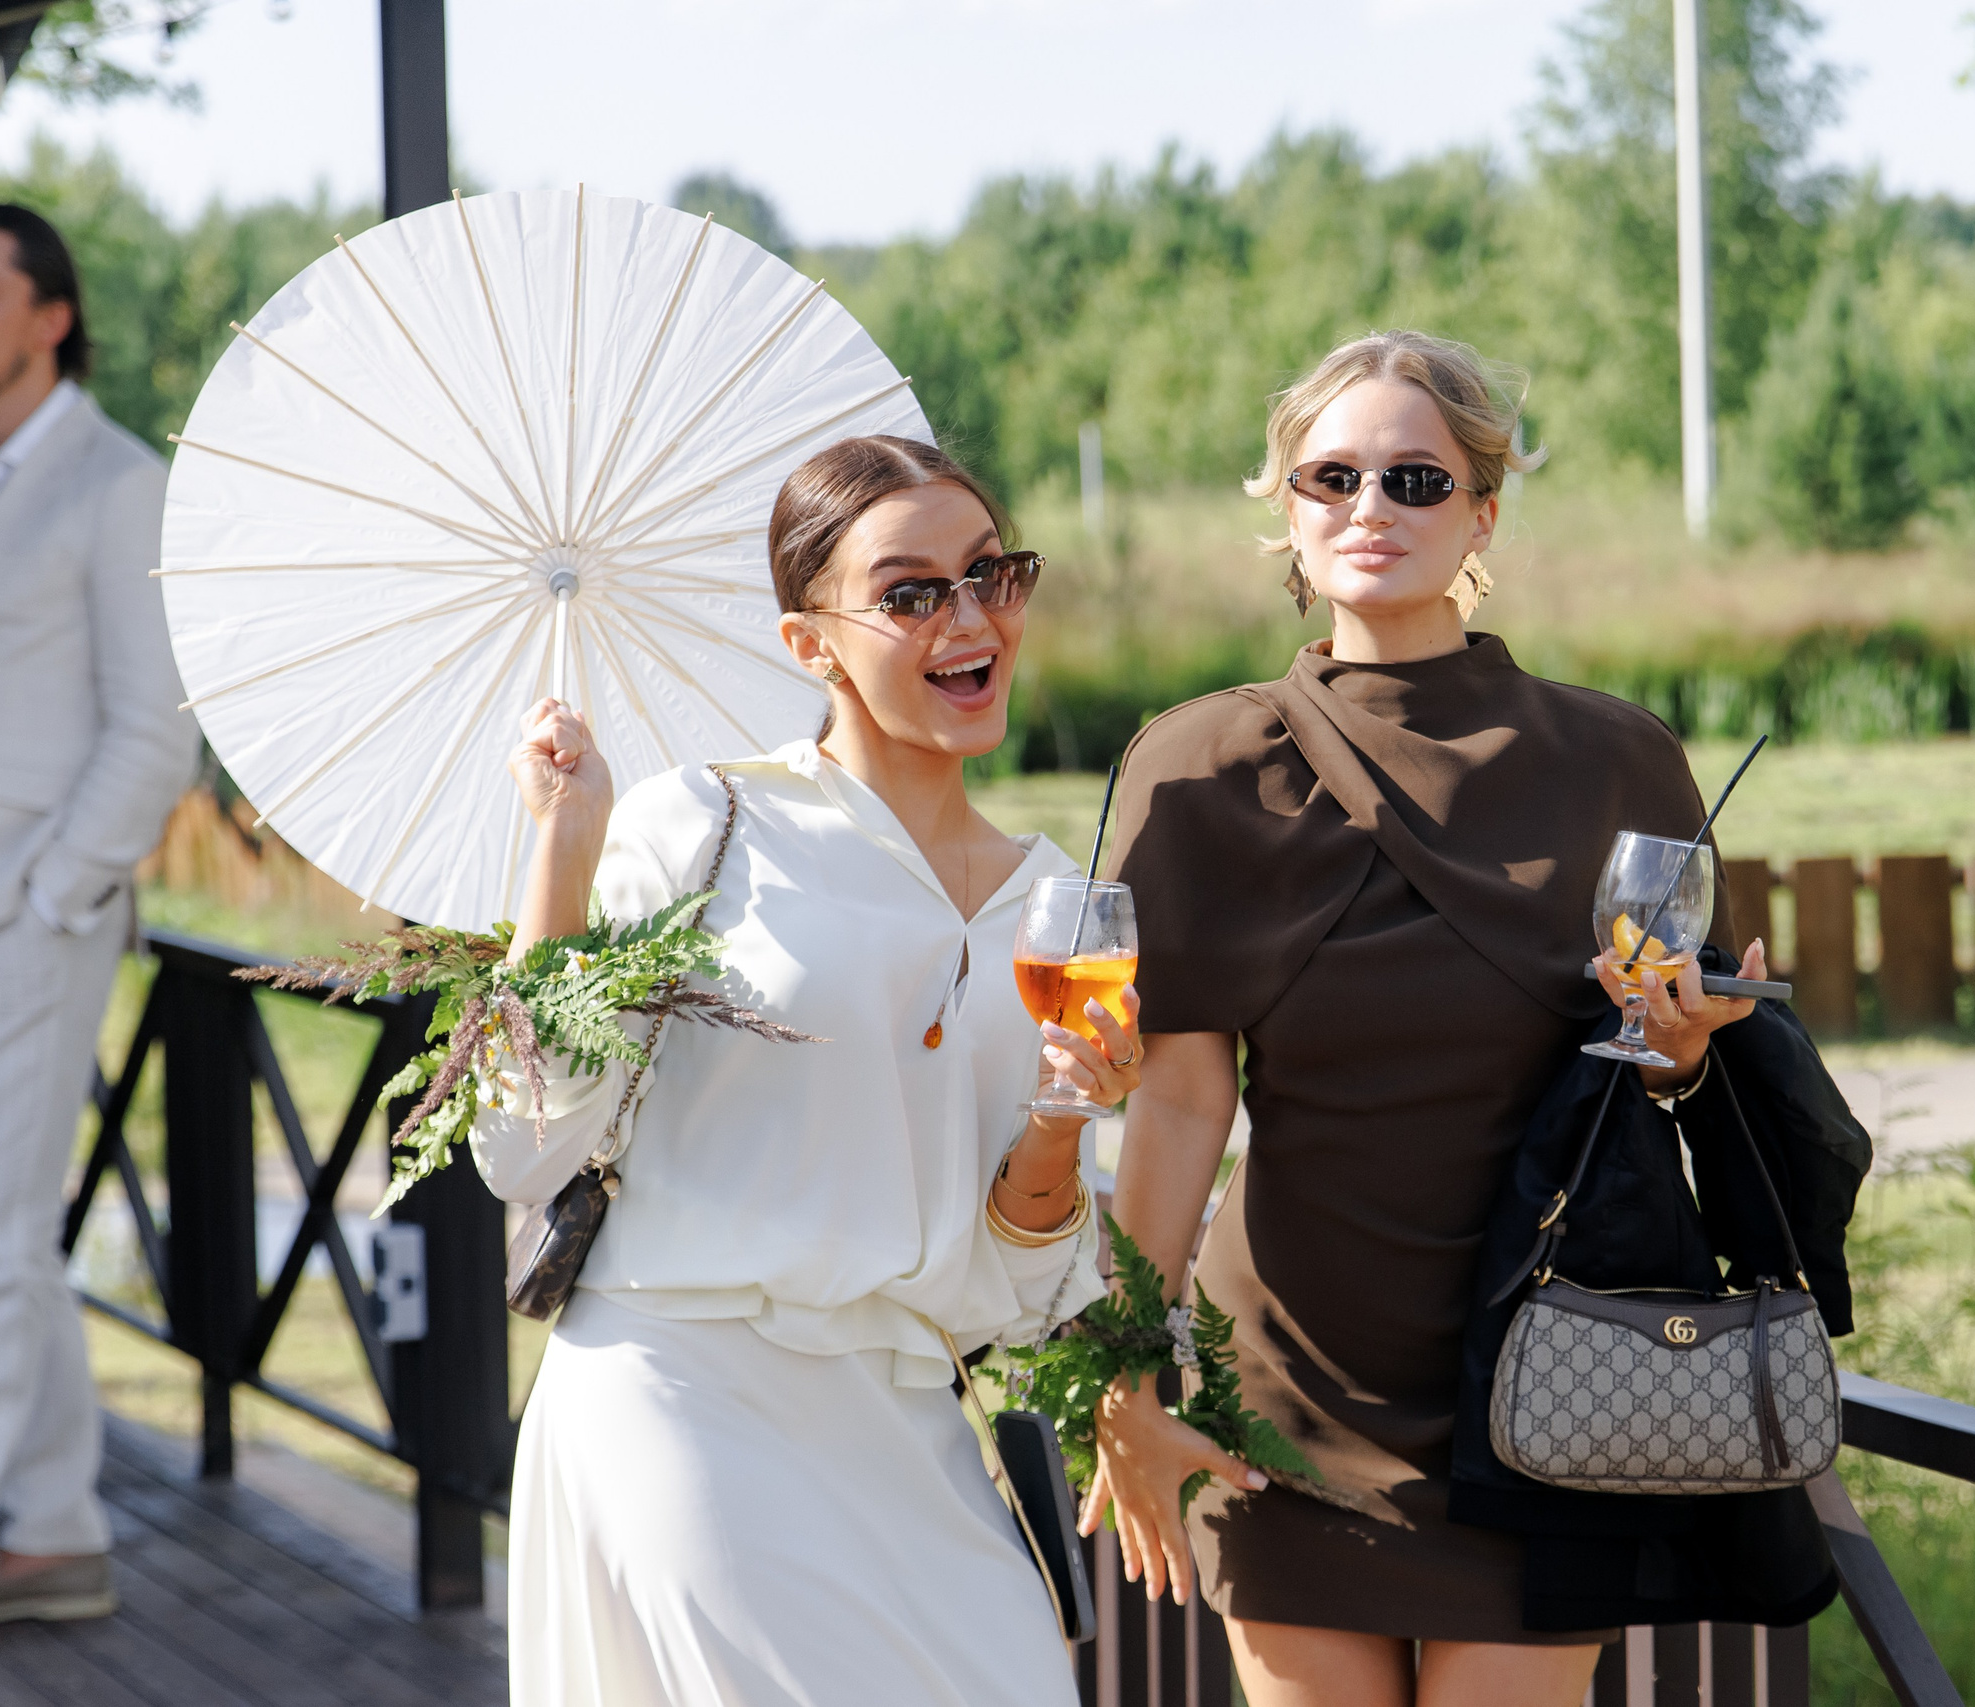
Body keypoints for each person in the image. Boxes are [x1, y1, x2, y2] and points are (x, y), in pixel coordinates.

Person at [1089, 330, 1784, 1707]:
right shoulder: (1197, 762)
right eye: (1329, 475)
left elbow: (1670, 1071)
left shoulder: (1615, 753)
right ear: (1284, 506)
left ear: (1482, 509)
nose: (1368, 508)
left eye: (1414, 477)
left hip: (1549, 1385)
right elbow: (1177, 1101)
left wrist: (1683, 1049)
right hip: (1282, 1396)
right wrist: (1122, 1368)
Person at [471, 435, 1169, 1706]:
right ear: (811, 644)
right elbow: (518, 1147)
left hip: (907, 1420)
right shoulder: (701, 827)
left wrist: (1067, 1118)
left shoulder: (1057, 898)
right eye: (909, 593)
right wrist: (563, 852)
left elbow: (1015, 1281)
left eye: (988, 575)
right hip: (682, 1393)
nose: (967, 619)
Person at [0, 203, 197, 1627]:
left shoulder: (120, 482)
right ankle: (55, 1526)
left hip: (33, 917)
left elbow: (155, 732)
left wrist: (52, 892)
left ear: (51, 312)